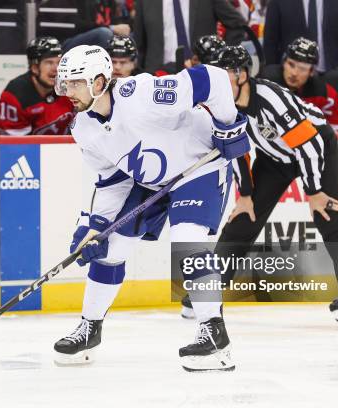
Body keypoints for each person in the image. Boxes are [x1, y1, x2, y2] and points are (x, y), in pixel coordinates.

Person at [53, 44, 250, 371]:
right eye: (66, 83)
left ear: (100, 82)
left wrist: (227, 126)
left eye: (75, 82)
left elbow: (212, 79)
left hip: (198, 166)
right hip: (151, 183)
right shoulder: (85, 129)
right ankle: (89, 328)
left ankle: (214, 336)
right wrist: (95, 226)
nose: (68, 91)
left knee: (188, 242)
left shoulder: (141, 94)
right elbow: (113, 182)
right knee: (109, 250)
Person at [180, 46, 338, 324]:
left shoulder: (272, 99)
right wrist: (245, 195)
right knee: (243, 219)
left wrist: (315, 191)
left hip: (317, 147)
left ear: (242, 75)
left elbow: (310, 145)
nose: (217, 84)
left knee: (328, 214)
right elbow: (236, 151)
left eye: (224, 75)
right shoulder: (221, 107)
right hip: (275, 157)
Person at [134, 0, 246, 74]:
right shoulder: (144, 2)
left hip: (200, 73)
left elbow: (238, 25)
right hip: (157, 76)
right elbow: (138, 42)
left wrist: (221, 56)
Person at [0, 37, 73, 136]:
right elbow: (14, 145)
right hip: (27, 151)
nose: (56, 69)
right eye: (49, 63)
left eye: (59, 62)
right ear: (35, 68)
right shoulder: (15, 95)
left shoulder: (71, 87)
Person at [259, 37, 338, 127]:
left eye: (302, 68)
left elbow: (334, 128)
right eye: (291, 64)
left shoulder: (324, 93)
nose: (294, 73)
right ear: (284, 63)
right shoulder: (264, 82)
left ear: (311, 72)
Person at [263, 0, 338, 73]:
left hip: (331, 74)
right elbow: (270, 41)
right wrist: (272, 74)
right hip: (291, 75)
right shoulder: (278, 2)